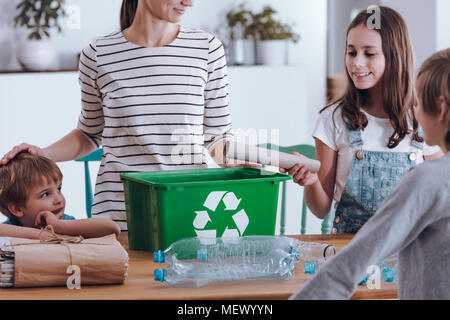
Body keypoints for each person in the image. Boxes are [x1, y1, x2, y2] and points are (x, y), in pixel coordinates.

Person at [0, 0, 234, 236]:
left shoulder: (207, 48)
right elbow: (89, 134)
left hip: (190, 213)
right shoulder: (98, 54)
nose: (189, 2)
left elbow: (218, 141)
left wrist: (258, 159)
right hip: (118, 221)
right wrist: (42, 154)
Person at [290, 47, 450, 300]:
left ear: (440, 110)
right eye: (351, 52)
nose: (416, 111)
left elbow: (348, 268)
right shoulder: (334, 118)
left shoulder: (427, 179)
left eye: (421, 102)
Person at [281, 6, 443, 234]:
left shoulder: (422, 119)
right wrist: (310, 181)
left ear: (395, 56)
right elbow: (320, 209)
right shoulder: (333, 120)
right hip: (350, 251)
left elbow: (440, 193)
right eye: (351, 52)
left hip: (408, 252)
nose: (356, 63)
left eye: (369, 53)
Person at [0, 152, 120, 239]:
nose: (58, 199)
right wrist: (45, 236)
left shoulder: (65, 223)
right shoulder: (10, 229)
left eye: (59, 189)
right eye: (45, 194)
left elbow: (112, 229)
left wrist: (58, 225)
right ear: (17, 208)